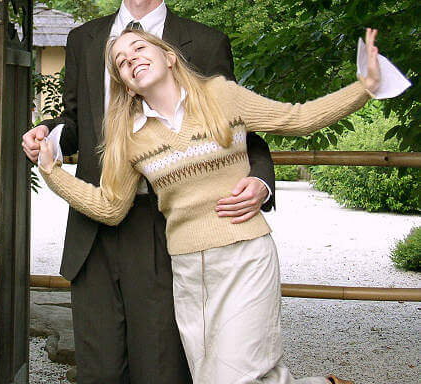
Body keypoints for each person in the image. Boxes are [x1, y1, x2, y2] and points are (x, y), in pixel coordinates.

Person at [38, 27, 389, 384]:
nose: (132, 60)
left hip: (245, 258)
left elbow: (296, 118)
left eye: (139, 48)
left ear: (169, 57)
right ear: (127, 85)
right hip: (188, 272)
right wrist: (53, 172)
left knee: (235, 379)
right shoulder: (129, 137)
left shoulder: (222, 96)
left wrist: (365, 87)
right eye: (122, 62)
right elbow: (111, 207)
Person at [22, 0, 275, 384]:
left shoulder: (204, 42)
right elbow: (73, 121)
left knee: (161, 370)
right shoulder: (82, 39)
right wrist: (48, 134)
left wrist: (260, 182)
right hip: (93, 227)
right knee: (97, 373)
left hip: (166, 229)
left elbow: (244, 127)